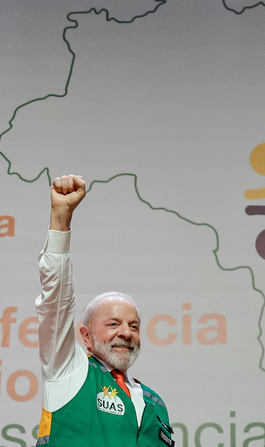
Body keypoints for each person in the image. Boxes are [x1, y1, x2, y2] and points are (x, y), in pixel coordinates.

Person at [34, 174, 174, 447]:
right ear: (86, 336)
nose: (126, 333)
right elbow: (56, 302)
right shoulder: (68, 370)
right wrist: (61, 219)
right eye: (113, 324)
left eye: (134, 326)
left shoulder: (155, 403)